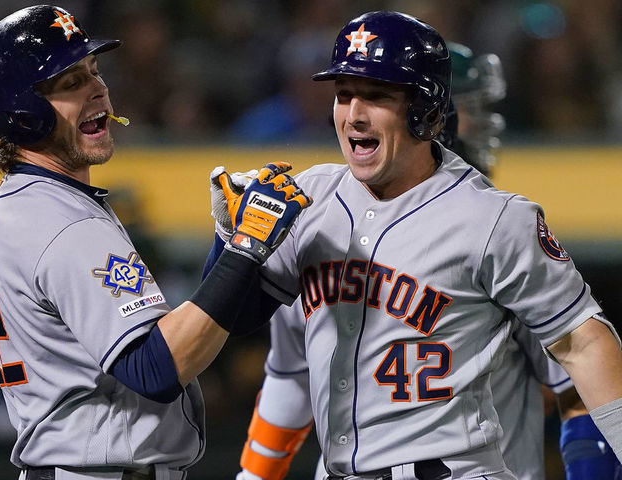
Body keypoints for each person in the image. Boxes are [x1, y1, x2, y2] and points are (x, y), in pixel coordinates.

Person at [208, 10, 622, 480]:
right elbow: (234, 321)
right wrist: (232, 244)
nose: (354, 114)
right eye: (344, 95)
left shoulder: (493, 217)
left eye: (377, 96)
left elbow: (585, 344)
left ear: (425, 109)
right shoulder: (307, 198)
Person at [0, 5, 310, 480]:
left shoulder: (39, 200)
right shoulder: (62, 222)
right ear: (22, 109)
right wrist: (246, 247)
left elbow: (188, 334)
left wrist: (228, 244)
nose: (99, 89)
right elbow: (154, 369)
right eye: (71, 82)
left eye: (95, 73)